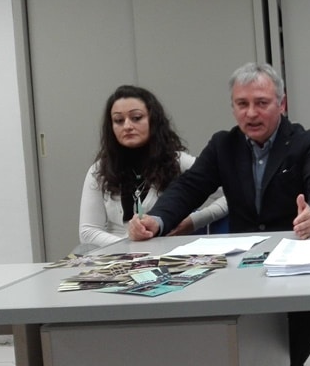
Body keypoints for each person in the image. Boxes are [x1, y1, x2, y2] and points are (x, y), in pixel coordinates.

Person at [127, 62, 310, 366]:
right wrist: (156, 220)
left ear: (282, 104)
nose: (251, 113)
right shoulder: (223, 146)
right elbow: (189, 188)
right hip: (243, 263)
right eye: (242, 104)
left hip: (293, 259)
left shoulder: (305, 142)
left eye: (261, 103)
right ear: (233, 107)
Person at [79, 85, 228, 248]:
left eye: (136, 118)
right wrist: (131, 245)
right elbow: (88, 231)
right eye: (119, 120)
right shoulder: (99, 170)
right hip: (116, 255)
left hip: (166, 253)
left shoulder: (177, 161)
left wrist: (194, 221)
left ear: (153, 120)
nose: (127, 126)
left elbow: (231, 193)